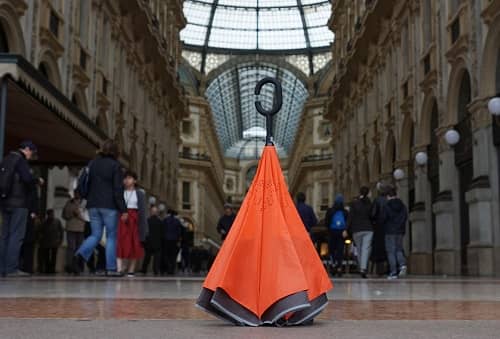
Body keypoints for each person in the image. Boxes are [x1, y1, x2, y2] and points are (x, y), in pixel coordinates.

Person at [73, 139, 127, 276]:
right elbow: (117, 189)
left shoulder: (93, 163)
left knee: (95, 235)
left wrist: (87, 197)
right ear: (116, 151)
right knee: (111, 237)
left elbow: (85, 183)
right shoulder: (115, 166)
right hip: (109, 206)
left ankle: (79, 254)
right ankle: (111, 268)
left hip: (93, 205)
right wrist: (123, 209)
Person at [0, 140, 43, 277]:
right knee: (16, 236)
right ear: (26, 149)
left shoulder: (6, 159)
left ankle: (2, 267)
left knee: (4, 236)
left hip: (5, 202)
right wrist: (37, 180)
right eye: (31, 152)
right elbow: (27, 179)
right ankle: (12, 268)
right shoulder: (20, 160)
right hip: (19, 204)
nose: (31, 155)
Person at [116, 171, 148, 277]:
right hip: (122, 219)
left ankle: (131, 269)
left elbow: (143, 211)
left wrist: (144, 228)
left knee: (134, 244)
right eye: (125, 178)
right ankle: (120, 268)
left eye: (129, 178)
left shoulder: (140, 193)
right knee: (121, 243)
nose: (126, 180)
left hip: (135, 221)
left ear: (135, 180)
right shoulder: (119, 191)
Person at [381, 187, 408, 280]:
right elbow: (405, 217)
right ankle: (402, 264)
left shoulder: (386, 206)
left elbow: (383, 218)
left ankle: (393, 273)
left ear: (388, 196)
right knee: (399, 249)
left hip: (389, 231)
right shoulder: (402, 205)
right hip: (400, 231)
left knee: (391, 252)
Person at [347, 186, 374, 278]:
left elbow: (350, 217)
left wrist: (346, 229)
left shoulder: (354, 203)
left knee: (359, 249)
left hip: (357, 229)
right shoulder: (369, 203)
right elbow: (373, 215)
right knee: (365, 249)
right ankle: (363, 268)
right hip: (368, 229)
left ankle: (361, 267)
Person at [324, 194, 348, 277]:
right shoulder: (345, 212)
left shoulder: (330, 211)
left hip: (332, 232)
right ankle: (339, 267)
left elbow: (326, 222)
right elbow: (348, 222)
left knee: (332, 249)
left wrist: (328, 231)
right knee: (340, 249)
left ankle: (333, 263)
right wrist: (345, 230)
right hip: (341, 233)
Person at [62, 193, 86, 274]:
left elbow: (86, 215)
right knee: (71, 248)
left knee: (79, 248)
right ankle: (70, 266)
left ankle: (78, 266)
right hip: (71, 228)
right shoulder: (69, 202)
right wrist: (73, 213)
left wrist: (79, 215)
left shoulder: (84, 202)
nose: (77, 194)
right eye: (76, 192)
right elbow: (64, 215)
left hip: (81, 229)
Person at [19, 187, 39, 274]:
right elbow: (34, 206)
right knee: (27, 246)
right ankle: (27, 267)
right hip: (28, 222)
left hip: (23, 220)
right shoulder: (32, 189)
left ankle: (23, 267)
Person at [370, 183, 389, 275]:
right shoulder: (389, 200)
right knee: (388, 247)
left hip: (378, 227)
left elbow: (373, 214)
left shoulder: (377, 200)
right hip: (388, 227)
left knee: (378, 248)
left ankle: (379, 269)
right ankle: (388, 267)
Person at [37, 209, 64, 274]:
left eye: (52, 214)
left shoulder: (57, 221)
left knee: (53, 257)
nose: (52, 215)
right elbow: (40, 231)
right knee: (47, 257)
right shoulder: (44, 222)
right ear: (48, 214)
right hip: (46, 242)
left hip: (54, 242)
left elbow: (61, 231)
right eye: (50, 214)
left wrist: (60, 240)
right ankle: (47, 269)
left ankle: (52, 269)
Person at [141, 205, 163, 275]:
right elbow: (162, 233)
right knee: (156, 258)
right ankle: (155, 270)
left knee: (147, 257)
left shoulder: (147, 221)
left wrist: (144, 241)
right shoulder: (160, 222)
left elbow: (144, 232)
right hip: (158, 243)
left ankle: (144, 269)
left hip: (149, 242)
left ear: (150, 212)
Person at [163, 209, 183, 275]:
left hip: (166, 240)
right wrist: (179, 241)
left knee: (166, 255)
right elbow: (179, 232)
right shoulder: (177, 221)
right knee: (173, 256)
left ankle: (168, 268)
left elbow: (163, 229)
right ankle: (172, 269)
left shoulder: (165, 220)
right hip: (174, 241)